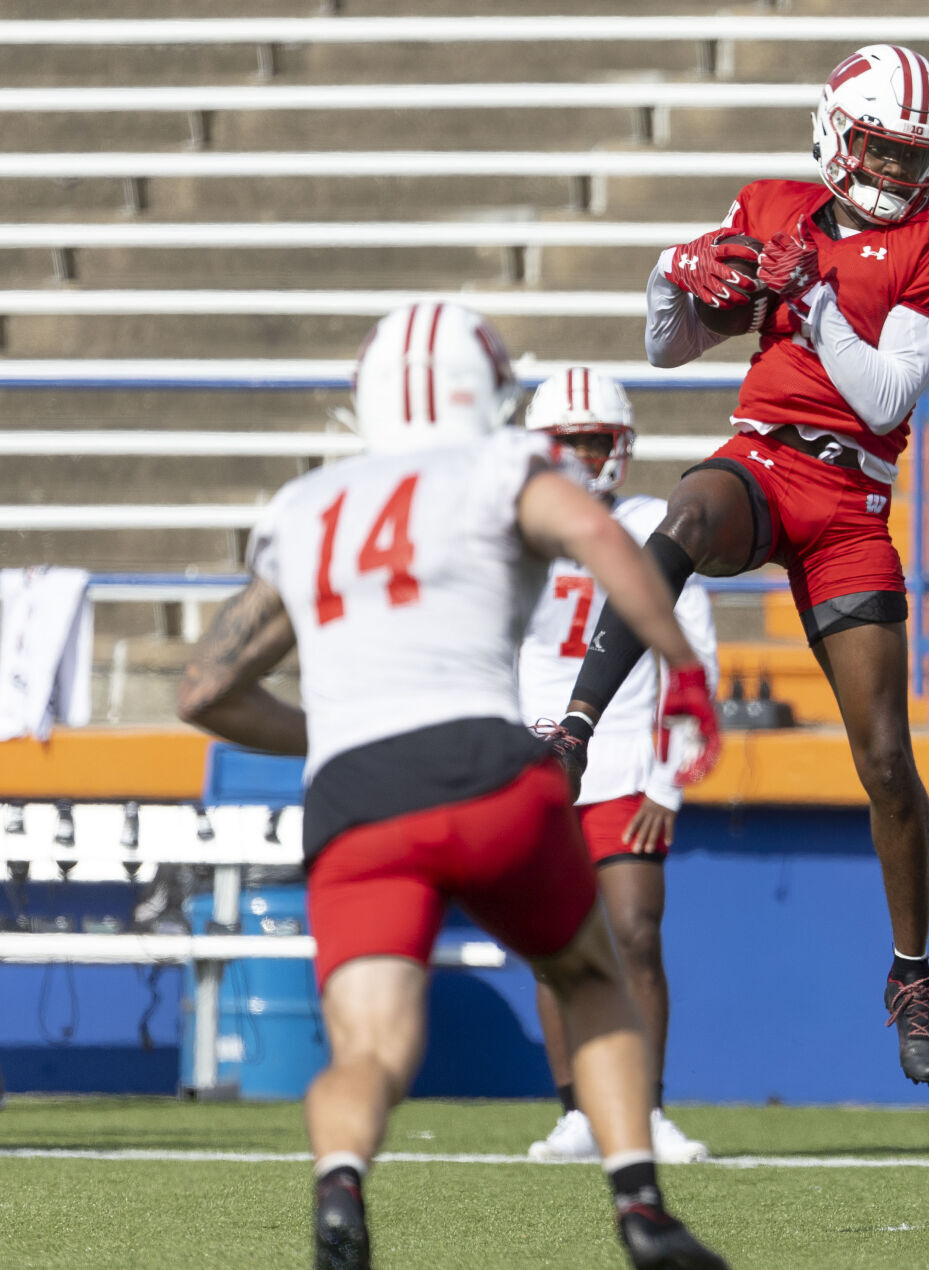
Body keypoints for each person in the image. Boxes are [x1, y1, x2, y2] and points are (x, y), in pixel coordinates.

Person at [176, 303, 727, 1270]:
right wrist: (679, 665)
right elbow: (607, 541)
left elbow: (205, 688)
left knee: (368, 1052)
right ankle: (639, 1202)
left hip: (358, 798)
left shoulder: (310, 505)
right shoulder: (503, 467)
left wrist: (340, 730)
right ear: (492, 393)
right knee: (593, 975)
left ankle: (341, 1184)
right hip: (486, 772)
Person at [546, 45, 929, 1087]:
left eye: (907, 155)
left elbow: (884, 399)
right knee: (687, 510)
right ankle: (572, 729)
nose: (889, 173)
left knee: (883, 755)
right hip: (762, 456)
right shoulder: (774, 205)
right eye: (876, 148)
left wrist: (815, 298)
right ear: (838, 131)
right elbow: (668, 347)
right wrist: (674, 271)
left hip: (852, 497)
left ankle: (911, 972)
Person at [518, 368, 718, 1166]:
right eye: (568, 440)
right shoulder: (516, 532)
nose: (582, 455)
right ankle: (575, 1112)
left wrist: (669, 779)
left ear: (622, 446)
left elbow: (690, 658)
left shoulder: (652, 528)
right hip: (537, 757)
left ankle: (645, 1109)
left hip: (629, 750)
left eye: (595, 440)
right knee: (554, 940)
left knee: (635, 932)